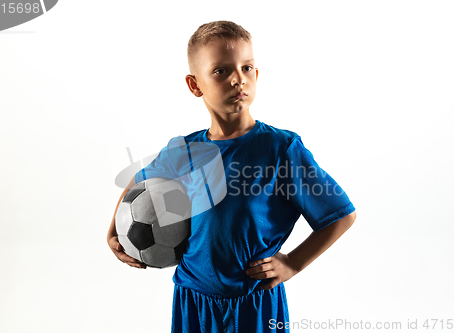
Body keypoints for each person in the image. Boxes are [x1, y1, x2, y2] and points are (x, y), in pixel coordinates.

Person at [107, 20, 357, 333]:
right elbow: (139, 184)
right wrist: (114, 231)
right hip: (193, 299)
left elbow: (340, 215)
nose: (238, 79)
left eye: (247, 67)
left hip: (255, 299)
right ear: (195, 85)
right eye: (221, 71)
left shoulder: (281, 149)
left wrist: (293, 263)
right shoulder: (184, 150)